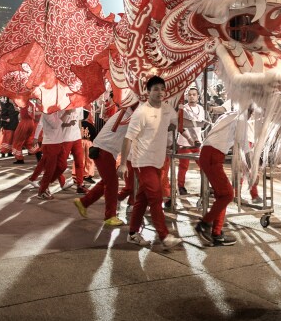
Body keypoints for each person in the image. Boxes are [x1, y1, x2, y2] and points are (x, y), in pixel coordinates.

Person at [119, 76, 183, 251]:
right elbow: (128, 138)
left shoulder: (168, 109)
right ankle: (164, 236)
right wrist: (123, 163)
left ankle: (132, 233)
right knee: (156, 197)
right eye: (155, 89)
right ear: (147, 92)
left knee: (142, 199)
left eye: (162, 89)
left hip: (158, 161)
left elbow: (173, 124)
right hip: (142, 161)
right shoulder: (141, 112)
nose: (160, 92)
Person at [192, 105, 253, 246]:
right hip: (213, 155)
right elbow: (244, 144)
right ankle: (205, 224)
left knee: (222, 196)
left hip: (208, 154)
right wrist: (252, 167)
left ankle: (217, 233)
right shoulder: (241, 117)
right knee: (227, 194)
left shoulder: (228, 115)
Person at [73, 106, 135, 227]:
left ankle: (83, 202)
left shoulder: (125, 113)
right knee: (112, 183)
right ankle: (110, 216)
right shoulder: (129, 116)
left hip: (105, 149)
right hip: (105, 150)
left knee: (106, 181)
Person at [35, 107, 81, 199]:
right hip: (50, 143)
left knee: (62, 166)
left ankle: (45, 183)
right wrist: (66, 113)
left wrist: (68, 123)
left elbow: (61, 125)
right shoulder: (47, 112)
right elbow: (56, 125)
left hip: (58, 142)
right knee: (50, 170)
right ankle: (42, 192)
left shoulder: (55, 112)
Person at [176, 87, 206, 195]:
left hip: (197, 142)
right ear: (186, 96)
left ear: (198, 97)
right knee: (184, 166)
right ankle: (180, 186)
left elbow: (200, 125)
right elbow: (181, 126)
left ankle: (207, 186)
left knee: (203, 165)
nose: (192, 96)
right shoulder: (183, 109)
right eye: (190, 94)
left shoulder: (201, 109)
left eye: (194, 94)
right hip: (185, 142)